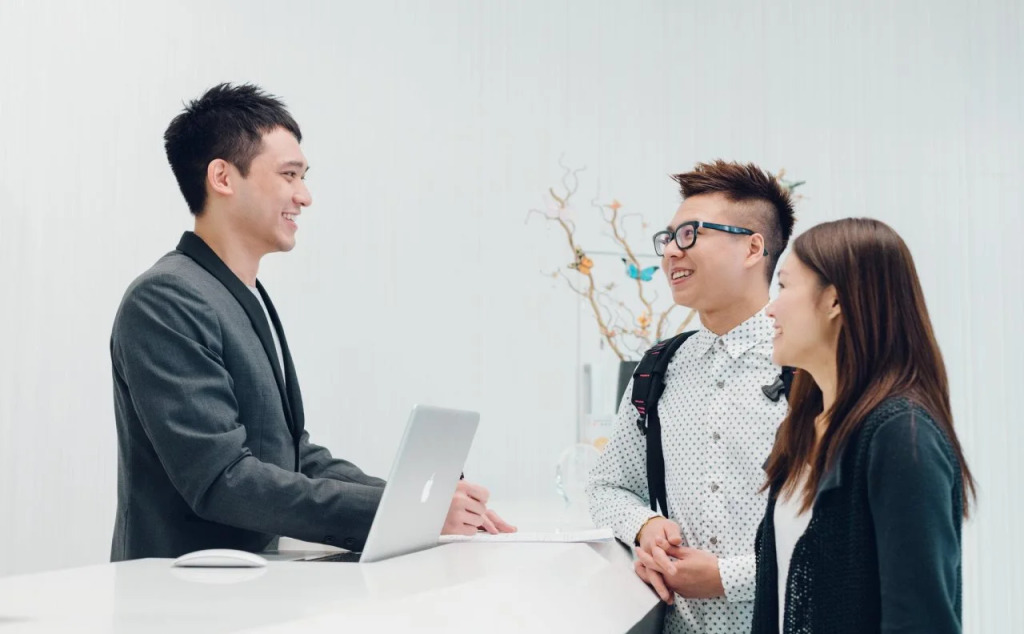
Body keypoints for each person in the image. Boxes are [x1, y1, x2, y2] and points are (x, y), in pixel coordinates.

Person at [109, 83, 513, 561]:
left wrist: (420, 502)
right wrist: (404, 510)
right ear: (222, 177)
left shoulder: (244, 295)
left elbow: (294, 456)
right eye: (289, 175)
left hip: (249, 583)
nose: (304, 196)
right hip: (177, 590)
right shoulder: (166, 298)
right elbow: (223, 479)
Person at [587, 160, 796, 633]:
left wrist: (728, 578)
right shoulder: (659, 368)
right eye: (667, 239)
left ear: (752, 247)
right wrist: (644, 526)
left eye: (689, 235)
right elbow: (607, 486)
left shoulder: (808, 365)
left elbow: (839, 535)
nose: (670, 253)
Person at [752, 218, 975, 633]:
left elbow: (920, 622)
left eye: (783, 286)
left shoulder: (901, 436)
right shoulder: (800, 429)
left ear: (834, 300)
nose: (770, 308)